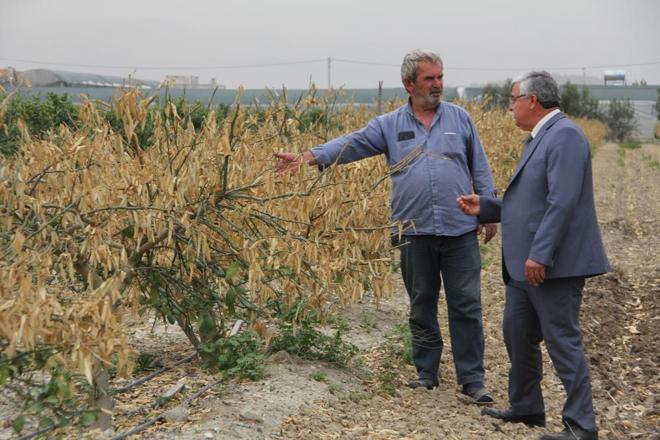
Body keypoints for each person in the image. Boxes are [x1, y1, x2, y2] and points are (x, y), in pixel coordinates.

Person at [275, 49, 498, 404]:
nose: (438, 85)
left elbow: (480, 167)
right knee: (421, 303)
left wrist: (488, 208)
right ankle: (427, 373)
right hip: (412, 230)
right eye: (429, 79)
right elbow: (350, 144)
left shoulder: (461, 119)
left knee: (466, 305)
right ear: (409, 84)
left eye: (440, 77)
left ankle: (472, 379)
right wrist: (306, 158)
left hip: (458, 230)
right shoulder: (390, 125)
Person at [457, 71, 610, 440]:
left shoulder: (566, 137)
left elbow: (562, 202)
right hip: (524, 267)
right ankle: (527, 406)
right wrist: (488, 207)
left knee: (562, 340)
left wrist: (540, 255)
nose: (509, 106)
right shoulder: (539, 139)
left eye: (513, 99)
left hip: (552, 266)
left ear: (533, 101)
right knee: (517, 332)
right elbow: (530, 201)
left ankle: (581, 425)